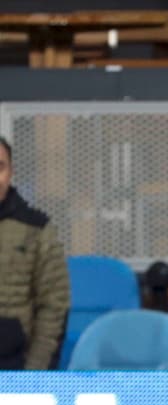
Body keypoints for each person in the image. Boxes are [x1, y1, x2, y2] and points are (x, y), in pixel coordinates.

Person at [0, 136, 69, 371]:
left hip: (15, 367)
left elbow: (54, 306)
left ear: (11, 173)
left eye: (0, 167)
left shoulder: (37, 229)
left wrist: (35, 374)